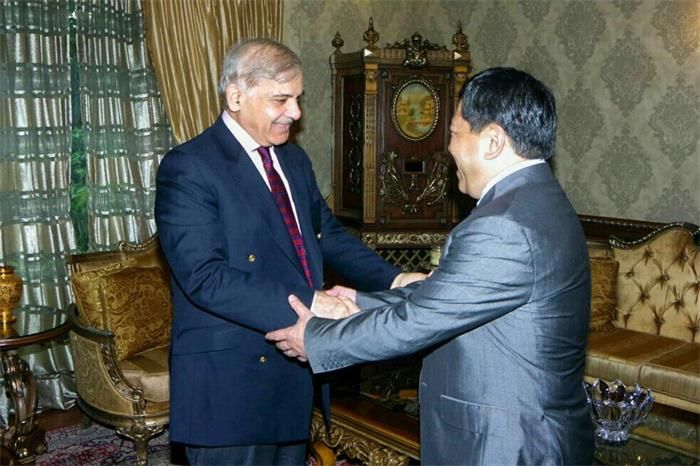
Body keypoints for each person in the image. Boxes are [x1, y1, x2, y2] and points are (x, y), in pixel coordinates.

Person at [267, 67, 595, 465]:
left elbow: (420, 321)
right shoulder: (539, 200)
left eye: (455, 133)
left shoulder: (504, 224)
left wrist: (317, 338)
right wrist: (360, 302)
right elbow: (453, 298)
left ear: (493, 141)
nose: (448, 147)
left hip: (509, 444)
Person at [154, 38, 423, 465]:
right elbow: (205, 277)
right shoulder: (190, 166)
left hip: (294, 368)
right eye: (281, 99)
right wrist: (312, 301)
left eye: (298, 99)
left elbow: (327, 234)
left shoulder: (294, 161)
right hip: (230, 383)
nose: (296, 113)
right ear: (236, 97)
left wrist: (394, 278)